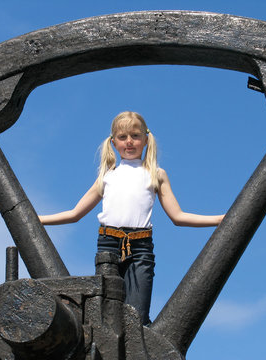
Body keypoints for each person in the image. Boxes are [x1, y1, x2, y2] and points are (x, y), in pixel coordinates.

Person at [39, 111, 224, 325]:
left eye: (135, 136)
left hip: (140, 247)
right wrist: (40, 219)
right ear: (113, 142)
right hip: (108, 244)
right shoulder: (107, 176)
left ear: (146, 139)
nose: (129, 142)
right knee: (107, 313)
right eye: (122, 137)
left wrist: (219, 219)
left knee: (137, 316)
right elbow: (75, 214)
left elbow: (178, 216)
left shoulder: (156, 174)